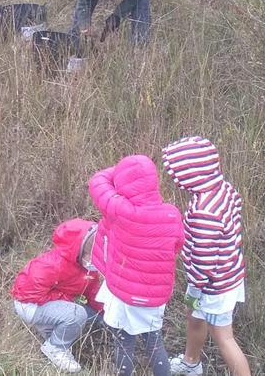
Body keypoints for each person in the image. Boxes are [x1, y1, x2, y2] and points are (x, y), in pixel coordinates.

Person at [161, 137, 252, 376]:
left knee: (224, 337)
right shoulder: (223, 188)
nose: (174, 178)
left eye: (178, 172)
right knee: (193, 315)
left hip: (212, 287)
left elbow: (204, 260)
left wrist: (196, 286)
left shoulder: (204, 212)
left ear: (192, 174)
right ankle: (191, 363)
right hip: (224, 275)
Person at [89, 155, 184, 376]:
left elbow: (97, 182)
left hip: (123, 295)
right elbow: (177, 244)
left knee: (123, 342)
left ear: (123, 183)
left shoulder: (121, 210)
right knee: (154, 342)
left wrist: (118, 171)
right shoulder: (171, 214)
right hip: (155, 295)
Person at [11, 219, 103, 373]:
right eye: (90, 253)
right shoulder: (52, 265)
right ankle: (55, 348)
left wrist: (107, 311)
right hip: (28, 304)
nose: (93, 258)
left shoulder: (86, 268)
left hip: (49, 302)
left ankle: (53, 333)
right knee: (76, 313)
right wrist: (65, 299)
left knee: (95, 316)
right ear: (78, 250)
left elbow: (92, 292)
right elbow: (25, 293)